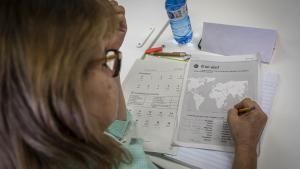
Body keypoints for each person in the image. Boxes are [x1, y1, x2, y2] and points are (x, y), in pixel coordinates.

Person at [0, 1, 267, 169]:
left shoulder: (54, 133)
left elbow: (119, 130)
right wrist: (245, 146)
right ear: (62, 92)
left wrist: (105, 46)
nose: (112, 72)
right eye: (102, 63)